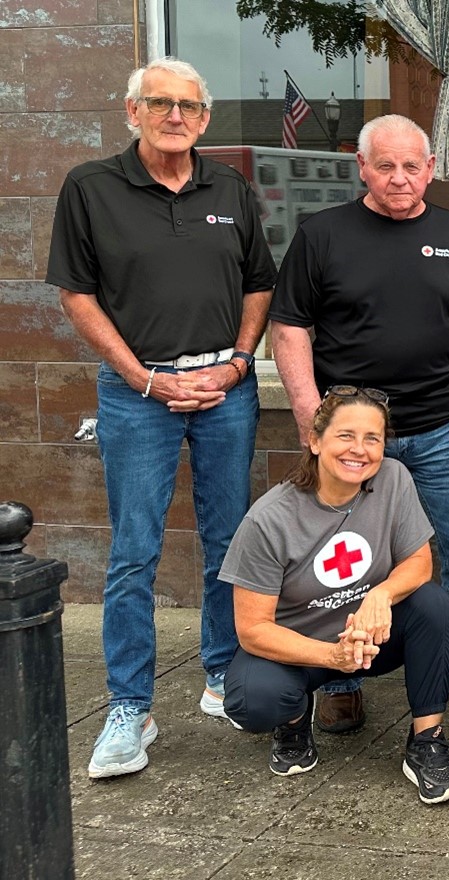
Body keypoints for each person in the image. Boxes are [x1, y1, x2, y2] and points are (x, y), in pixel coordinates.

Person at [48, 58, 276, 778]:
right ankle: (128, 708)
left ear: (205, 119)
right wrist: (141, 377)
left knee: (229, 539)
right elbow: (76, 296)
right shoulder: (91, 188)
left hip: (225, 388)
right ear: (132, 111)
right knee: (134, 552)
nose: (174, 116)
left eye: (188, 106)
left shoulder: (229, 188)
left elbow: (259, 283)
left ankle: (222, 675)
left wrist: (240, 363)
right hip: (135, 393)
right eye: (160, 103)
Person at [270, 114, 449, 730]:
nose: (400, 178)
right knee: (338, 557)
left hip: (442, 428)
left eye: (412, 166)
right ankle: (340, 672)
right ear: (363, 167)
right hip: (350, 437)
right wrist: (308, 414)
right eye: (386, 166)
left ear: (431, 169)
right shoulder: (321, 235)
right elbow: (289, 327)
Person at [219, 388, 449, 805]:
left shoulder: (392, 478)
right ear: (315, 441)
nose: (360, 450)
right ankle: (295, 719)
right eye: (345, 436)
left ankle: (427, 740)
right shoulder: (269, 519)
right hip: (302, 648)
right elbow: (252, 630)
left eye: (373, 438)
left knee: (434, 606)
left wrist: (381, 595)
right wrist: (332, 657)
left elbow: (420, 564)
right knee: (253, 701)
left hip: (374, 637)